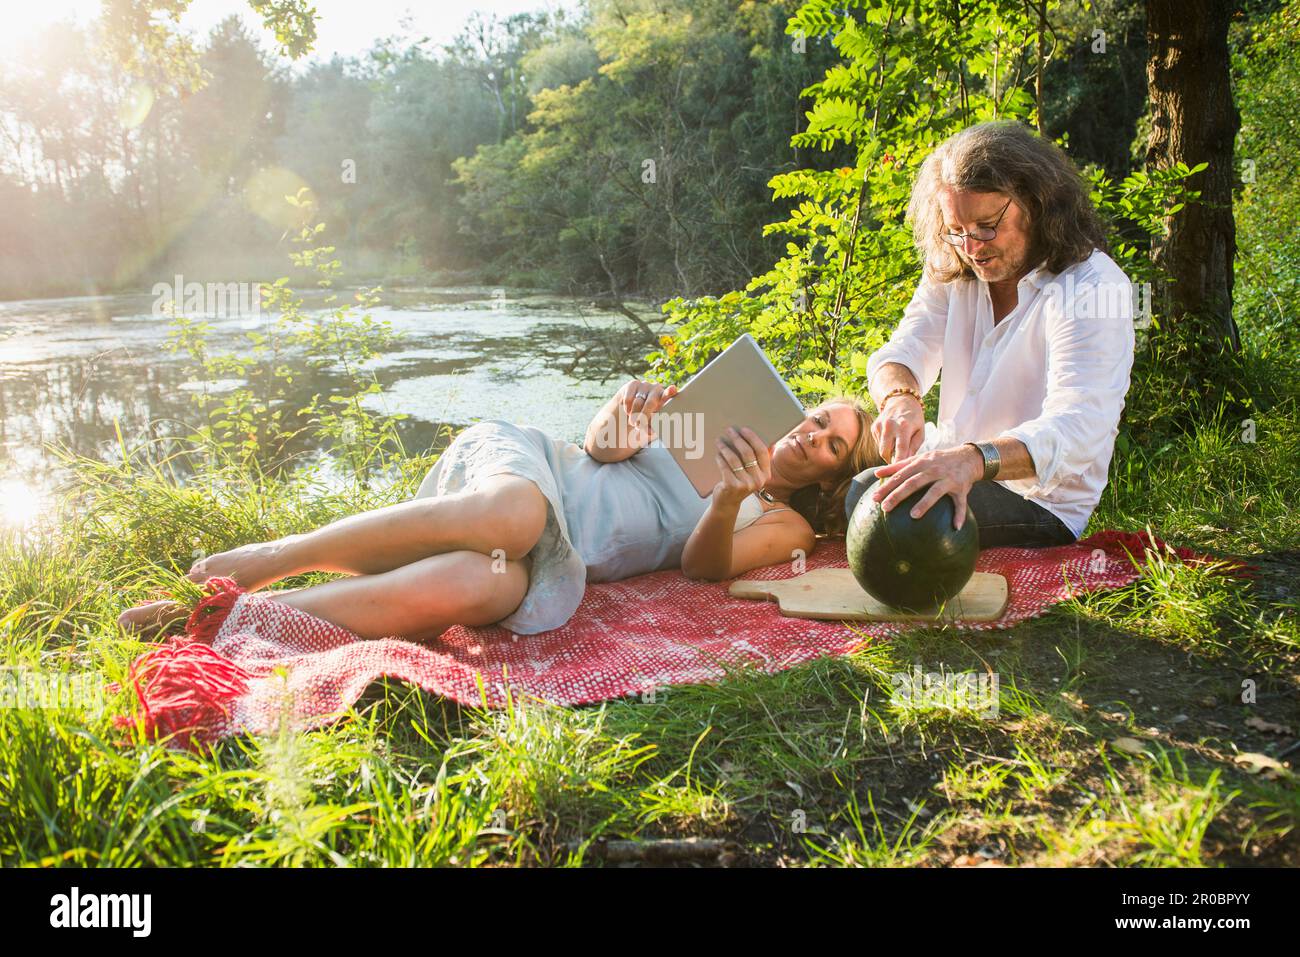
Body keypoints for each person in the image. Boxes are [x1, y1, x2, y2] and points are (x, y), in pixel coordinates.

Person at [118, 381, 883, 641]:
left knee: (484, 586)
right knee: (516, 519)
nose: (812, 433)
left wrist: (726, 498)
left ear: (828, 480)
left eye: (830, 444)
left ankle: (229, 619)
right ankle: (268, 559)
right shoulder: (724, 411)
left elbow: (701, 566)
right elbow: (598, 448)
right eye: (817, 417)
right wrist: (623, 416)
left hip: (558, 560)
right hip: (524, 473)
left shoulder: (786, 523)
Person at [866, 119, 1136, 548]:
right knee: (860, 497)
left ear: (1037, 202)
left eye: (987, 226)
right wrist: (900, 399)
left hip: (1040, 504)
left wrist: (973, 461)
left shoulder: (1093, 287)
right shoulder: (954, 269)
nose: (973, 248)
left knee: (894, 518)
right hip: (953, 468)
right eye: (956, 232)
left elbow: (1078, 428)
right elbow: (903, 350)